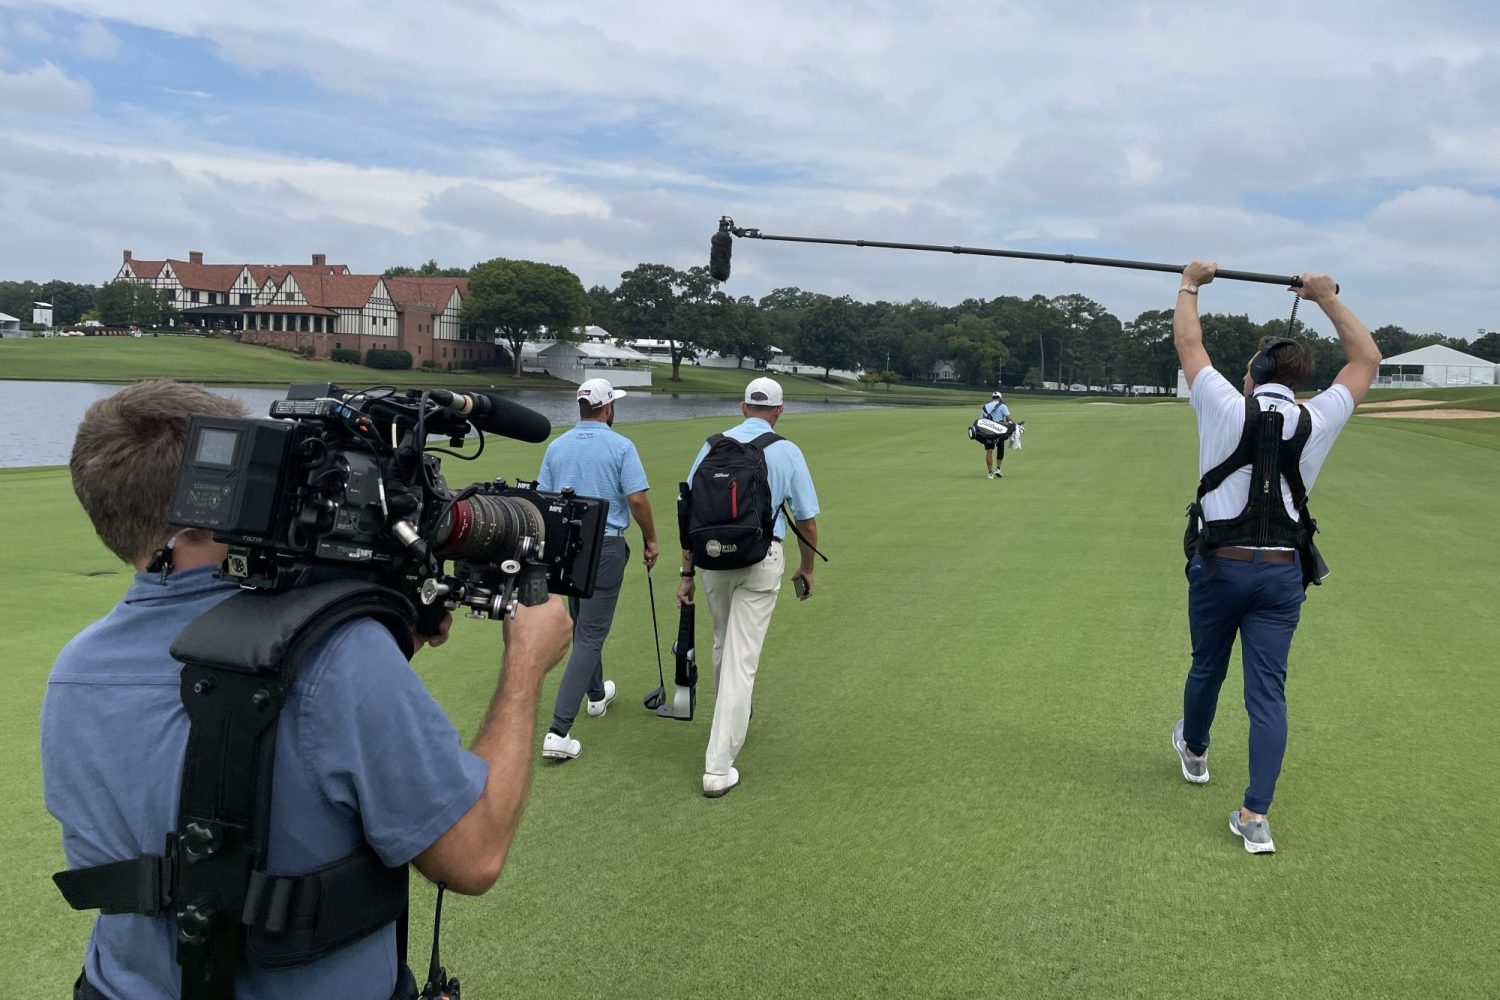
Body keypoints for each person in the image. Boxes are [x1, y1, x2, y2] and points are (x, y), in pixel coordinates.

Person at [44, 380, 573, 998]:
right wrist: (525, 666)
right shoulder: (342, 660)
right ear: (212, 501)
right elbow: (474, 856)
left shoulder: (75, 667)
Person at [1169, 264, 1380, 854]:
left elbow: (1189, 342)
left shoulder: (1222, 403)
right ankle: (1255, 818)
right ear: (1298, 380)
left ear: (1253, 373)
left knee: (1207, 665)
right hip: (1283, 575)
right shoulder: (1320, 416)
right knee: (1268, 694)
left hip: (1219, 567)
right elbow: (1366, 360)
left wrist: (1190, 284)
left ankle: (1195, 750)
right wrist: (1326, 299)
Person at [677, 377, 820, 798]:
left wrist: (686, 573)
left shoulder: (711, 446)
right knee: (742, 659)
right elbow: (807, 519)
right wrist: (807, 566)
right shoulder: (786, 450)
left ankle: (732, 715)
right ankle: (718, 768)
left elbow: (689, 514)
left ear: (743, 408)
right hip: (761, 558)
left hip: (712, 558)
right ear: (778, 411)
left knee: (724, 643)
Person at [536, 377, 659, 761]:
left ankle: (595, 695)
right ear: (607, 409)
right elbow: (636, 499)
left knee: (582, 626)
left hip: (565, 549)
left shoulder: (557, 446)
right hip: (604, 547)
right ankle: (559, 731)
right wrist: (651, 539)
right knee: (589, 635)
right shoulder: (621, 445)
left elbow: (544, 497)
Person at [979, 391, 1014, 479]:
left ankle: (990, 473)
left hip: (988, 432)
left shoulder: (985, 407)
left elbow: (981, 420)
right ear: (1000, 398)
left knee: (989, 451)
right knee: (1000, 449)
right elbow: (1009, 419)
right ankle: (998, 469)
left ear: (992, 398)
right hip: (999, 430)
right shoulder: (1003, 406)